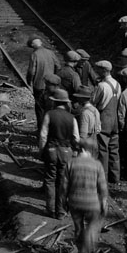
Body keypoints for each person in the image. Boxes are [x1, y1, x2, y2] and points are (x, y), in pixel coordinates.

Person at [39, 88, 79, 217]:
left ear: (54, 102)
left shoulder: (49, 114)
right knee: (62, 181)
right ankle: (61, 211)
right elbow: (76, 138)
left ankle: (50, 209)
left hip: (51, 150)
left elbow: (43, 135)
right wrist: (75, 151)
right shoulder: (72, 118)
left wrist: (41, 150)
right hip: (66, 151)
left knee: (50, 180)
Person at [65, 141, 108, 253]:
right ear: (90, 150)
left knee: (78, 228)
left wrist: (64, 200)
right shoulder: (97, 165)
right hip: (92, 203)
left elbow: (64, 186)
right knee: (92, 226)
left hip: (75, 202)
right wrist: (104, 201)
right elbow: (102, 187)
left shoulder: (71, 163)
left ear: (81, 149)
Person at [91, 60, 120, 184]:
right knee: (114, 149)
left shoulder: (102, 86)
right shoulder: (117, 84)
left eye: (98, 69)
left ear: (103, 71)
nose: (96, 72)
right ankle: (115, 177)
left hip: (104, 118)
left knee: (103, 149)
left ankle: (103, 176)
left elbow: (93, 101)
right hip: (115, 120)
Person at [27, 38, 61, 129]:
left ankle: (41, 130)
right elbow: (58, 66)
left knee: (40, 109)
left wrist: (29, 82)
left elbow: (31, 72)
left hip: (39, 85)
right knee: (51, 107)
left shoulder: (35, 54)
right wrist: (55, 78)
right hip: (52, 85)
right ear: (41, 43)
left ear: (33, 46)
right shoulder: (51, 52)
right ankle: (51, 130)